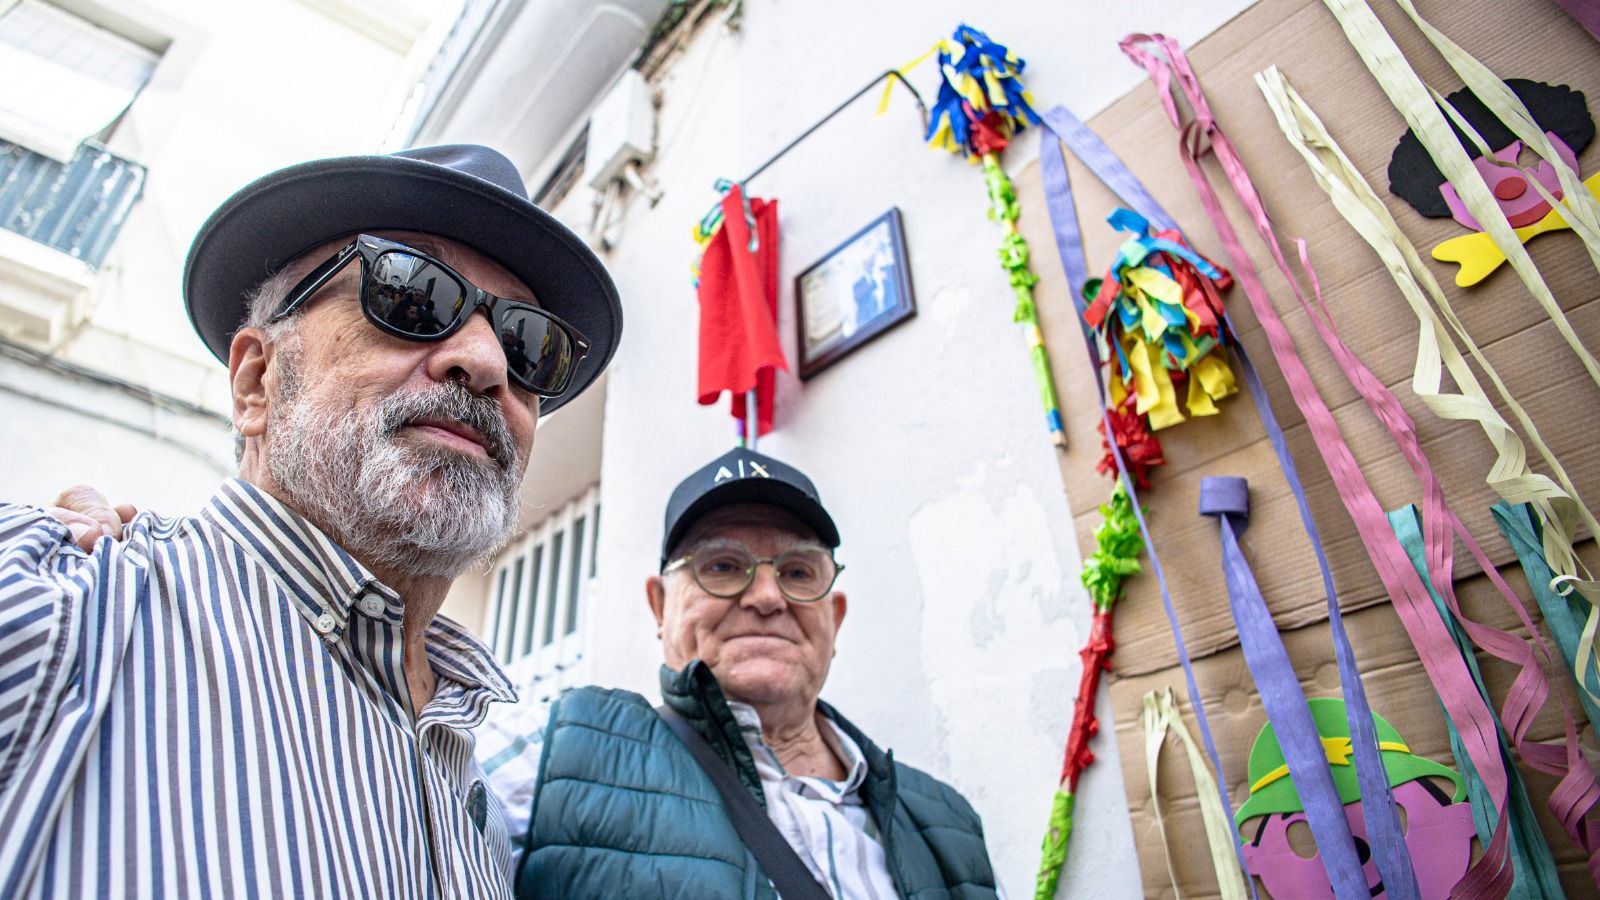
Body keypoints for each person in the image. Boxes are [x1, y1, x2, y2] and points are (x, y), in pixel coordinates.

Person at [0, 144, 621, 897]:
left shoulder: (478, 797)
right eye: (412, 293)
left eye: (529, 345)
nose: (489, 361)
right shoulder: (63, 607)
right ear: (257, 381)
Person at [478, 447, 1003, 899]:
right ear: (660, 607)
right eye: (723, 566)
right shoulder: (552, 753)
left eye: (798, 572)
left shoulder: (947, 822)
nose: (768, 597)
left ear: (835, 616)